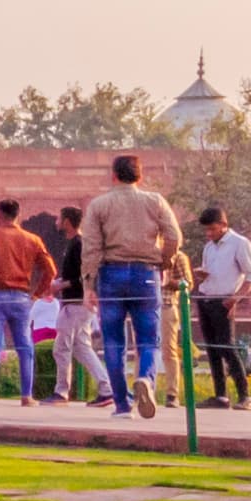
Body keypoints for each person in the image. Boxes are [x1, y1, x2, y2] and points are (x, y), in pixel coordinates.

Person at [81, 154, 185, 419]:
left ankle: (122, 405)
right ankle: (146, 380)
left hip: (111, 274)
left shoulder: (99, 205)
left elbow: (91, 247)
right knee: (149, 340)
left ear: (113, 175)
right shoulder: (154, 201)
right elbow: (173, 235)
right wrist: (164, 262)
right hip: (146, 274)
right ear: (140, 176)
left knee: (114, 343)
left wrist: (89, 285)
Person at [0, 203, 57, 408]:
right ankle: (27, 396)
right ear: (18, 216)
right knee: (25, 346)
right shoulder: (32, 239)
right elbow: (51, 271)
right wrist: (37, 293)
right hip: (21, 297)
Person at [193, 206, 251, 410]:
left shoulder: (239, 244)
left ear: (224, 225)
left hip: (224, 300)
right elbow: (212, 271)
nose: (209, 234)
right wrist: (202, 275)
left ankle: (245, 395)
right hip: (207, 298)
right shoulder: (209, 247)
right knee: (212, 349)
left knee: (227, 347)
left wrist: (236, 299)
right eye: (206, 230)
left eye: (213, 229)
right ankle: (221, 395)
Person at [49, 204, 106, 405]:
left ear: (66, 221)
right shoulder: (74, 244)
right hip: (75, 303)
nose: (56, 222)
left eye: (59, 218)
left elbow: (85, 276)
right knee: (82, 348)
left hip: (76, 303)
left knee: (61, 347)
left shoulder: (79, 244)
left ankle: (61, 392)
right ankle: (106, 388)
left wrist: (60, 285)